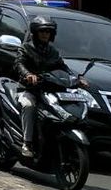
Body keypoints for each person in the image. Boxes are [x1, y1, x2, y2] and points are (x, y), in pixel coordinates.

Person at [11, 15, 78, 158]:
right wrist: (28, 74)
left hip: (48, 90)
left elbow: (63, 67)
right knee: (29, 106)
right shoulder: (26, 48)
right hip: (28, 89)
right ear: (35, 32)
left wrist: (77, 78)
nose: (45, 34)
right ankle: (27, 143)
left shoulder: (52, 52)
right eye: (42, 31)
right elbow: (19, 63)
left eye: (48, 32)